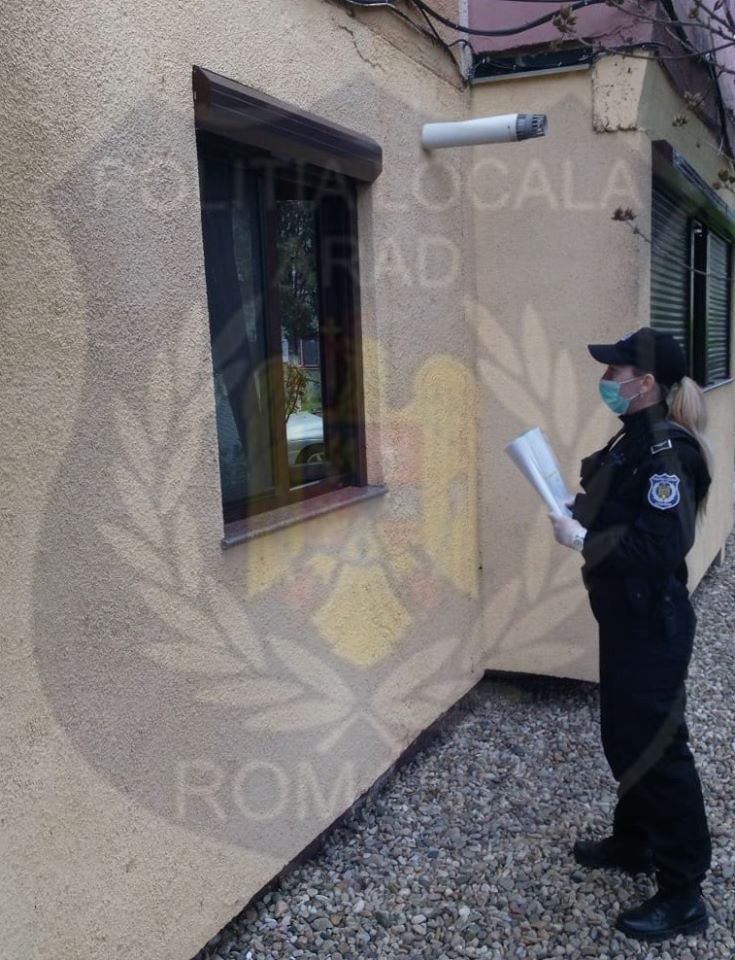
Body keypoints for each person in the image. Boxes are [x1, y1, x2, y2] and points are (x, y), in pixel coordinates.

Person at [549, 326, 713, 942]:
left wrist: (583, 540)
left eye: (615, 372)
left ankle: (683, 892)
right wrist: (574, 509)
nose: (606, 380)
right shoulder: (636, 437)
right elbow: (622, 507)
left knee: (659, 750)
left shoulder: (670, 451)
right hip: (626, 617)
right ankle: (635, 840)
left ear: (645, 384)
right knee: (625, 734)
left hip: (652, 623)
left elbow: (656, 546)